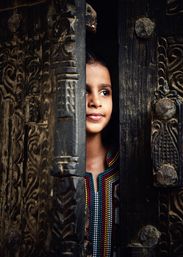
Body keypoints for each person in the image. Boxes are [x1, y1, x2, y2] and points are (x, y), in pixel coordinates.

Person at [84, 52, 119, 257]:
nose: (95, 101)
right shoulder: (49, 171)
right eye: (84, 91)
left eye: (105, 92)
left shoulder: (125, 166)